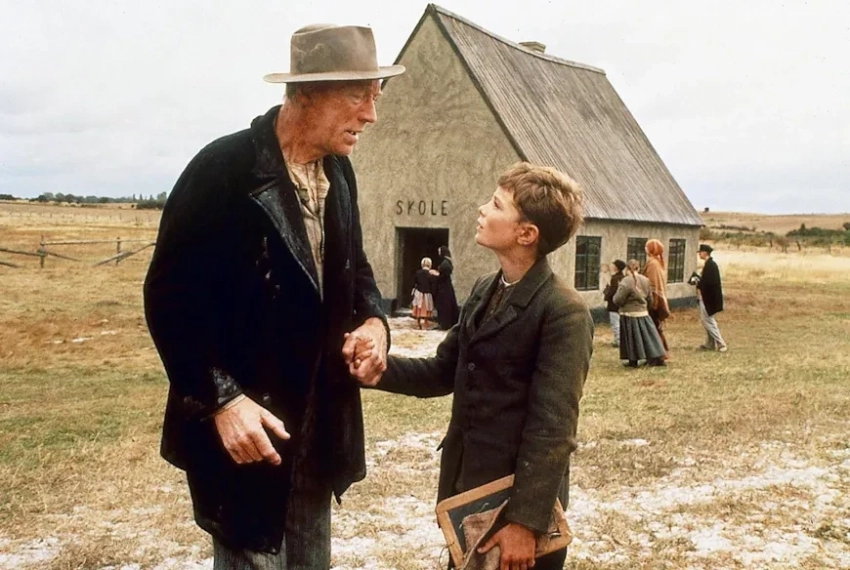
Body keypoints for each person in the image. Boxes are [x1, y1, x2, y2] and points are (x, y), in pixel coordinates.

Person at [143, 24, 403, 569]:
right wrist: (222, 401)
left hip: (318, 428)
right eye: (358, 96)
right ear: (305, 93)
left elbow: (355, 270)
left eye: (375, 96)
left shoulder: (339, 171)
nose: (371, 115)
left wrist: (375, 323)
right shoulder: (223, 169)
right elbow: (168, 298)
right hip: (246, 432)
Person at [353, 162, 594, 570]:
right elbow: (443, 371)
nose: (482, 209)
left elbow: (553, 429)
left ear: (526, 234)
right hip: (469, 497)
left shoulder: (563, 311)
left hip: (516, 511)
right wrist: (378, 369)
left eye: (496, 205)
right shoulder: (485, 289)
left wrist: (524, 523)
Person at [614, 259, 667, 367]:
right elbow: (650, 299)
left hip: (629, 314)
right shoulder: (645, 280)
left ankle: (633, 360)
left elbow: (618, 299)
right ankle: (655, 357)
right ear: (638, 268)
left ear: (627, 269)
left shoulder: (626, 281)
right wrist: (646, 308)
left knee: (631, 339)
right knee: (648, 338)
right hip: (643, 313)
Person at [695, 244, 727, 352]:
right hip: (707, 297)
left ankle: (721, 343)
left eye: (700, 252)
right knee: (707, 320)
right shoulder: (709, 265)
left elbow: (709, 283)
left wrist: (698, 282)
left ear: (705, 253)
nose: (699, 254)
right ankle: (710, 343)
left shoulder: (711, 266)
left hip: (709, 298)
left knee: (708, 321)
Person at [642, 238, 671, 360]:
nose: (645, 248)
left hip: (654, 301)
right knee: (655, 328)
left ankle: (658, 355)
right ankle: (658, 354)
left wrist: (652, 303)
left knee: (653, 328)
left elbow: (653, 285)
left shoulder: (653, 264)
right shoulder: (656, 262)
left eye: (647, 246)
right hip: (656, 300)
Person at [433, 245, 460, 330]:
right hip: (446, 288)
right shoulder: (447, 262)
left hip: (444, 289)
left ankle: (444, 324)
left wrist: (436, 274)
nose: (438, 253)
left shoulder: (445, 263)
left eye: (439, 252)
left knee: (444, 306)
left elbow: (443, 276)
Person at [602, 259, 627, 347]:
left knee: (615, 323)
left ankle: (618, 340)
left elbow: (612, 291)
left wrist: (606, 294)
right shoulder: (623, 277)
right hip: (621, 304)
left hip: (613, 304)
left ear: (616, 267)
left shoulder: (614, 278)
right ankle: (621, 340)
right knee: (620, 323)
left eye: (613, 265)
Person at [411, 257, 436, 329]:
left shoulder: (418, 272)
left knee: (419, 306)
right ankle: (426, 322)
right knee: (427, 307)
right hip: (427, 293)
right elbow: (432, 284)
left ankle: (418, 322)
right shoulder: (431, 274)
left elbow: (415, 282)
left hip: (419, 292)